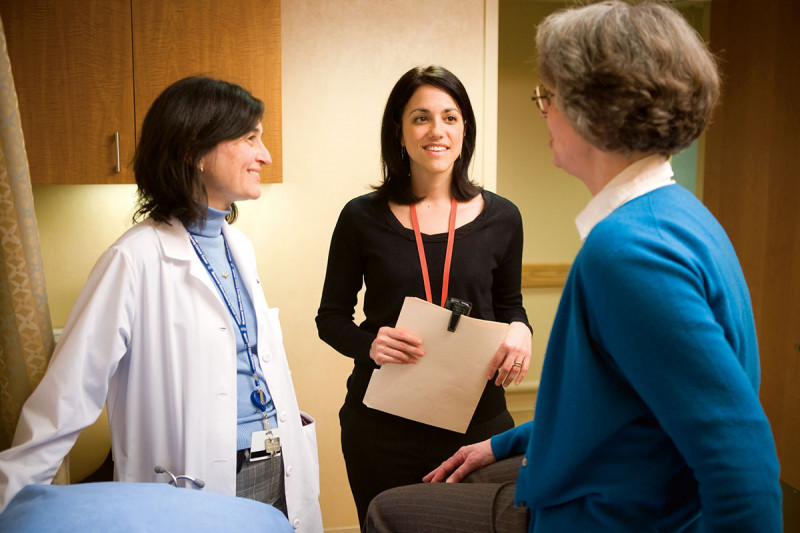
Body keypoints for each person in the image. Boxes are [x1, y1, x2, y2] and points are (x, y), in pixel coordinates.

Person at [364, 2, 783, 532]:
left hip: (606, 516)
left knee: (389, 511)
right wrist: (504, 442)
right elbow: (621, 407)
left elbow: (742, 468)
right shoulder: (675, 216)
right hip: (618, 490)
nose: (544, 111)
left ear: (595, 108)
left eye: (549, 96)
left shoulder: (630, 252)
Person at [0, 76, 323, 532]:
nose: (265, 155)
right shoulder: (133, 259)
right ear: (194, 149)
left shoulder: (238, 247)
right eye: (250, 138)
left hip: (274, 462)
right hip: (201, 480)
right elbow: (67, 396)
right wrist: (10, 503)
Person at [315, 65, 533, 527]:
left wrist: (522, 331)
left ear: (465, 129)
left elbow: (511, 305)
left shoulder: (503, 217)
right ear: (399, 131)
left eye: (450, 118)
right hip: (382, 428)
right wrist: (369, 345)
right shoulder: (361, 217)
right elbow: (330, 317)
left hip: (477, 428)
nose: (437, 131)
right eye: (421, 118)